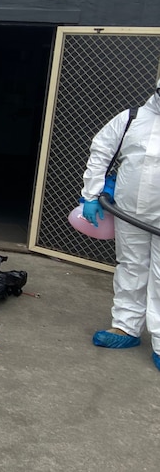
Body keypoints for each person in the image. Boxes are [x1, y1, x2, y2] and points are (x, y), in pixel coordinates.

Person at [81, 78, 160, 372]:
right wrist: (91, 194)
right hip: (131, 213)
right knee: (130, 266)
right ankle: (126, 328)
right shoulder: (132, 118)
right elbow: (101, 151)